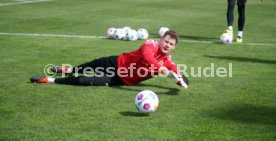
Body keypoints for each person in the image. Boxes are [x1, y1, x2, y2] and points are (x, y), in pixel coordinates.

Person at [30, 30, 189, 88]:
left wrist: (179, 80)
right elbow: (147, 57)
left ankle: (48, 80)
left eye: (171, 44)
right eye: (166, 41)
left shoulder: (167, 59)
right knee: (92, 64)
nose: (167, 45)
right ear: (161, 40)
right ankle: (68, 69)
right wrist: (162, 69)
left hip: (119, 80)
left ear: (174, 47)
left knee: (84, 81)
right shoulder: (150, 44)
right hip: (116, 62)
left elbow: (175, 70)